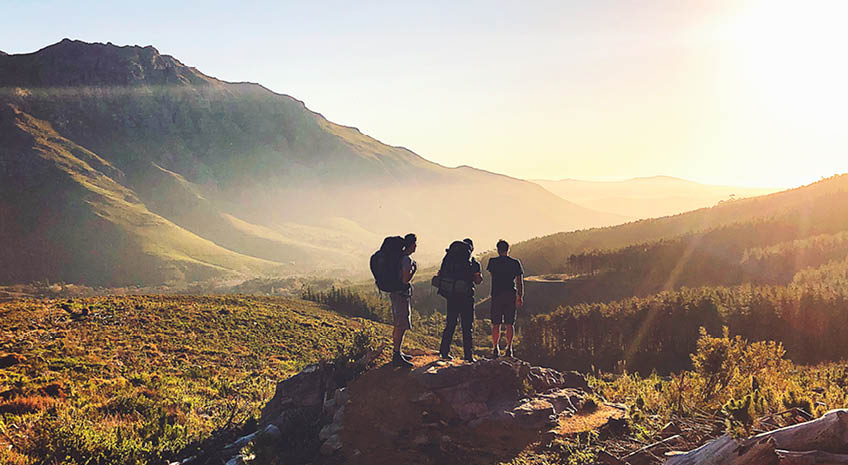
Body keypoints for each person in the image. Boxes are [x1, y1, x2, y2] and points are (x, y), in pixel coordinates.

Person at [437, 238, 483, 362]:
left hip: (451, 296)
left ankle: (444, 352)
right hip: (466, 297)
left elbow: (440, 273)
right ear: (471, 249)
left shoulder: (450, 259)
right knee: (467, 327)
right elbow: (477, 280)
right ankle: (468, 356)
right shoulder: (473, 262)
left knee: (450, 323)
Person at [486, 239, 524, 358]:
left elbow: (491, 275)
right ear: (508, 249)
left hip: (496, 294)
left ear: (498, 249)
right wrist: (520, 296)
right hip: (510, 295)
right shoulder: (515, 263)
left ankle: (495, 347)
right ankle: (509, 348)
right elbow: (519, 281)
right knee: (509, 323)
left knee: (496, 323)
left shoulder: (492, 262)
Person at [391, 233, 418, 368]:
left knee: (398, 323)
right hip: (401, 295)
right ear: (412, 245)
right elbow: (405, 279)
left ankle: (398, 352)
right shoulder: (406, 259)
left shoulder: (398, 257)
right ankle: (396, 355)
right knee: (401, 324)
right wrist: (414, 270)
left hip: (396, 293)